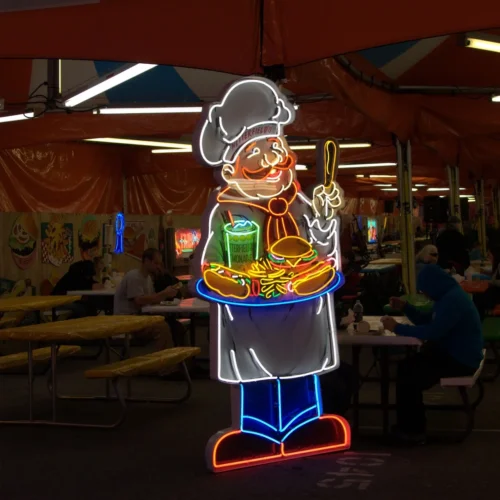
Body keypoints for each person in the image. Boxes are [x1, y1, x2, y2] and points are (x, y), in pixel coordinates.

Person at [381, 264, 483, 443]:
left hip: (460, 359)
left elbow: (432, 332)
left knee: (409, 374)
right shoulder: (450, 296)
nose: (425, 294)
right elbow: (429, 320)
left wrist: (397, 328)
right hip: (459, 354)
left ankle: (413, 430)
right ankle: (410, 426)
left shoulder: (452, 301)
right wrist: (406, 307)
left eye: (424, 290)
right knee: (408, 368)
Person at [113, 248, 180, 349]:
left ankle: (177, 360)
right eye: (156, 263)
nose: (158, 267)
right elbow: (139, 300)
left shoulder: (147, 278)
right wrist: (164, 294)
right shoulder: (134, 276)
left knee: (175, 326)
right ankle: (161, 361)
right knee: (163, 327)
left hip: (139, 318)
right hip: (128, 320)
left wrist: (166, 295)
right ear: (147, 261)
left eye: (159, 264)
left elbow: (151, 300)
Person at [473, 243, 500, 320]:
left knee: (478, 298)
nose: (488, 256)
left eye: (489, 254)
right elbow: (493, 274)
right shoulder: (497, 265)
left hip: (497, 295)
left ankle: (478, 319)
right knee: (478, 297)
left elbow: (495, 280)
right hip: (496, 292)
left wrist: (492, 282)